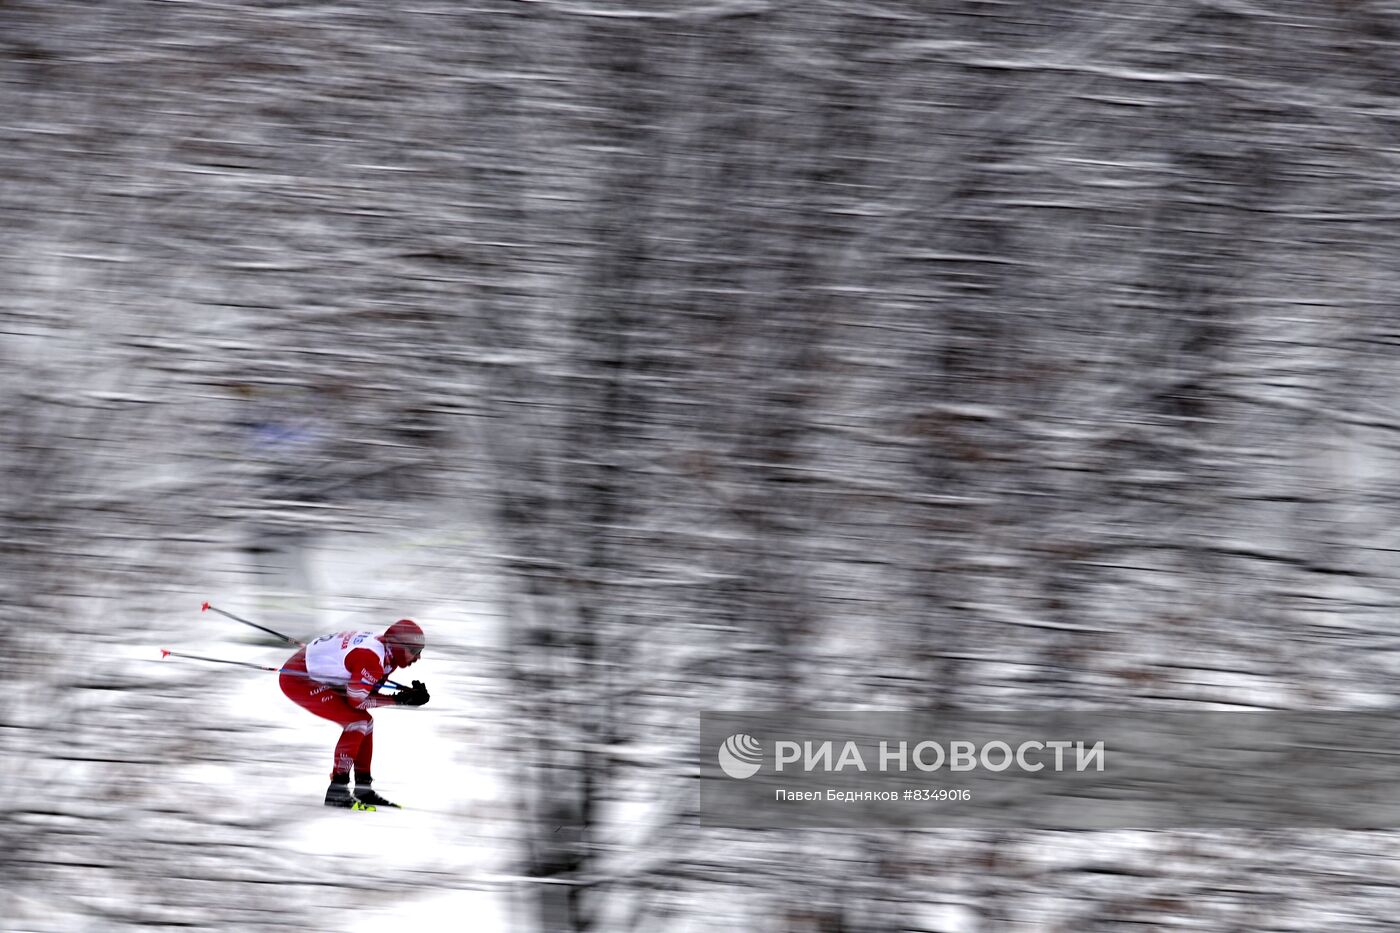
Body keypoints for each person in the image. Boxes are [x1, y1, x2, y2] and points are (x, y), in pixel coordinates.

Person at [279, 618, 430, 808]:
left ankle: (363, 790)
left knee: (366, 722)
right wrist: (398, 699)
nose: (417, 658)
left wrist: (405, 695)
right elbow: (357, 701)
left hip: (317, 668)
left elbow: (368, 688)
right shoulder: (372, 658)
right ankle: (337, 790)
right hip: (299, 680)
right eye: (414, 652)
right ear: (399, 647)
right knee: (357, 721)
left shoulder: (387, 654)